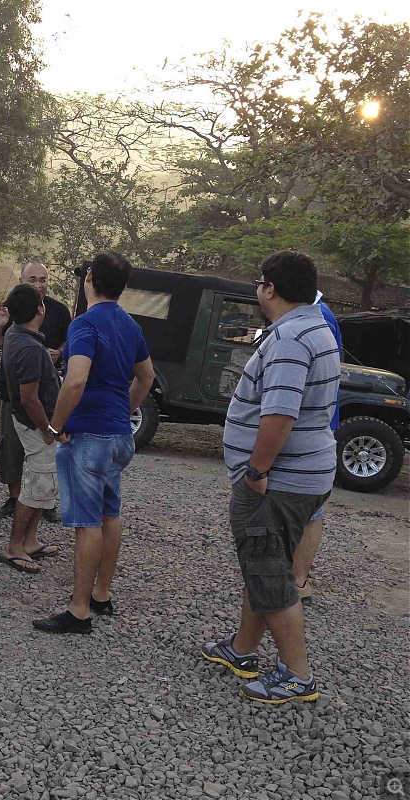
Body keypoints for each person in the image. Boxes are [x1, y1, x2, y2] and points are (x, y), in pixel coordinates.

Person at [202, 251, 340, 703]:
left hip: (277, 481)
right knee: (265, 566)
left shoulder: (291, 338)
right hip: (300, 475)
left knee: (268, 572)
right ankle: (243, 651)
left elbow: (279, 415)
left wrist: (256, 471)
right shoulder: (314, 327)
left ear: (270, 289)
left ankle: (297, 675)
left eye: (259, 283)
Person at [33, 252, 155, 634]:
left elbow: (75, 380)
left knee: (87, 523)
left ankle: (79, 610)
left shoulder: (85, 324)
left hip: (89, 437)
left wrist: (55, 426)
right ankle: (101, 593)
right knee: (109, 514)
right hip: (118, 435)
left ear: (89, 278)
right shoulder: (130, 326)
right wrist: (123, 410)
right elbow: (146, 377)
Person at [0, 262, 71, 521]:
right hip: (13, 394)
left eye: (43, 279)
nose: (38, 284)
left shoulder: (59, 311)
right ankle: (15, 498)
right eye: (32, 279)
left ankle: (45, 502)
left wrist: (59, 352)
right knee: (11, 447)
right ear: (21, 281)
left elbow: (71, 339)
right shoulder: (10, 307)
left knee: (46, 453)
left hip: (45, 395)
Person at [0, 283, 62, 574]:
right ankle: (14, 547)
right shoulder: (30, 348)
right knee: (36, 486)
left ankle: (31, 541)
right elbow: (28, 397)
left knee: (44, 484)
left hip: (33, 424)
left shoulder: (16, 335)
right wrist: (48, 429)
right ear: (40, 309)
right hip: (36, 426)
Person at [293, 290, 343, 602]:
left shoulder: (317, 315)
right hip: (314, 419)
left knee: (312, 507)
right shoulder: (319, 312)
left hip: (310, 421)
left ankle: (298, 580)